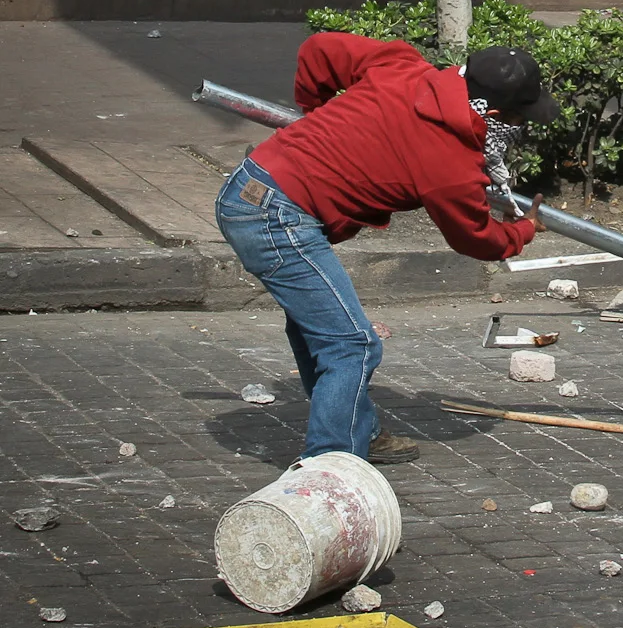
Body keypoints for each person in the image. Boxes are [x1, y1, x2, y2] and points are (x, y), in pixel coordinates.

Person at [215, 35, 552, 464]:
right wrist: (522, 230)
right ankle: (330, 467)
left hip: (252, 187)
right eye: (520, 117)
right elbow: (476, 238)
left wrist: (315, 114)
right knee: (353, 345)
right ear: (499, 115)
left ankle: (357, 431)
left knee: (323, 332)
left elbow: (319, 50)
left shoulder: (403, 66)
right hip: (276, 217)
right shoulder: (449, 160)